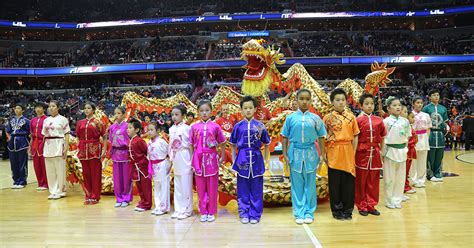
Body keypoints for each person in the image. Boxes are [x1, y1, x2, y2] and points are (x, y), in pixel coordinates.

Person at [281, 89, 327, 224]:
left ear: (311, 100)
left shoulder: (315, 118)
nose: (304, 101)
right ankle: (298, 212)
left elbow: (321, 137)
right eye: (301, 98)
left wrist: (322, 154)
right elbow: (284, 137)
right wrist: (284, 154)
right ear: (296, 100)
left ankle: (309, 212)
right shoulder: (290, 118)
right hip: (294, 153)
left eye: (307, 99)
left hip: (311, 153)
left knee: (310, 184)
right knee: (297, 184)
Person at [230, 96, 270, 224]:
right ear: (241, 110)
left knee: (257, 188)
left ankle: (255, 214)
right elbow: (232, 144)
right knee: (242, 188)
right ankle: (244, 212)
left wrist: (266, 160)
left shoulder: (260, 126)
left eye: (250, 108)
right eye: (245, 108)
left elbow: (267, 143)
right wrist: (233, 159)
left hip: (257, 158)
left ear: (255, 109)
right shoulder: (237, 126)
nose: (248, 110)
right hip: (242, 159)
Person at [323, 88, 359, 220]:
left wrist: (353, 152)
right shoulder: (327, 118)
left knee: (349, 183)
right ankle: (336, 210)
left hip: (348, 150)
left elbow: (355, 136)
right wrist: (325, 154)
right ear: (332, 102)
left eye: (343, 100)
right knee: (334, 183)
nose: (340, 102)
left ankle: (348, 209)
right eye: (337, 100)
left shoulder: (351, 117)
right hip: (333, 151)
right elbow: (323, 137)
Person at [190, 100, 226, 222]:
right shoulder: (194, 127)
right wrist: (192, 159)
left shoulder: (216, 126)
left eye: (207, 110)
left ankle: (211, 211)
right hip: (198, 159)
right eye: (201, 111)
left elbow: (222, 142)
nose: (204, 113)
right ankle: (203, 211)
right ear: (198, 112)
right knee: (200, 187)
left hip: (212, 159)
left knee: (212, 187)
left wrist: (221, 156)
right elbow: (191, 144)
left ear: (211, 111)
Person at [354, 93, 386, 216]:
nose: (370, 106)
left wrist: (381, 151)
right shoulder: (358, 120)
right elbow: (355, 138)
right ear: (361, 106)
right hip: (361, 154)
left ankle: (371, 204)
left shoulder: (379, 120)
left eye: (371, 103)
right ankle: (361, 205)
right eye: (366, 104)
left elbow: (382, 137)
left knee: (373, 181)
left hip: (375, 153)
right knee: (361, 181)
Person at [383, 97, 412, 209]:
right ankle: (389, 200)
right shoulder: (385, 121)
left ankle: (397, 199)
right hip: (390, 151)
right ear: (388, 108)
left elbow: (407, 137)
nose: (398, 107)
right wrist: (383, 152)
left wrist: (405, 149)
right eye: (394, 105)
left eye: (399, 105)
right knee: (389, 178)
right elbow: (383, 138)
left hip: (402, 151)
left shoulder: (405, 121)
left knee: (400, 178)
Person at [76, 102, 105, 205]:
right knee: (86, 173)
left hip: (95, 149)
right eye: (85, 108)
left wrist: (104, 149)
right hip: (83, 150)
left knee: (95, 173)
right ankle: (88, 195)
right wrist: (78, 147)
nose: (86, 110)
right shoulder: (80, 122)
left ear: (93, 110)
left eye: (89, 108)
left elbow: (104, 136)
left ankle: (95, 196)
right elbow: (78, 136)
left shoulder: (98, 122)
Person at [104, 107, 133, 208]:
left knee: (126, 178)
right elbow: (111, 142)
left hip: (125, 154)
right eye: (115, 113)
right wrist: (108, 156)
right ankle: (119, 198)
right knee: (117, 178)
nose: (116, 115)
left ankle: (126, 198)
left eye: (119, 113)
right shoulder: (112, 127)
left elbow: (131, 140)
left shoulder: (127, 126)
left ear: (124, 114)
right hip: (116, 154)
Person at [169, 104, 193, 220]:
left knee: (185, 184)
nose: (174, 117)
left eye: (177, 114)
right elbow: (170, 145)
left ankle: (187, 210)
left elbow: (191, 146)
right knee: (178, 184)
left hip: (184, 156)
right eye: (172, 114)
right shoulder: (171, 129)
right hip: (176, 157)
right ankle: (178, 209)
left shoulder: (187, 128)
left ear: (183, 116)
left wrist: (192, 161)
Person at [42, 100, 70, 200]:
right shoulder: (45, 120)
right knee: (50, 170)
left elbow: (67, 134)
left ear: (58, 107)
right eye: (50, 106)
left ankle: (61, 190)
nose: (51, 108)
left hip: (59, 143)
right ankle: (53, 191)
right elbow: (44, 135)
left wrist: (66, 146)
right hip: (48, 145)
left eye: (53, 106)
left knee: (60, 169)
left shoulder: (63, 119)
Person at [422, 89, 448, 182]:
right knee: (430, 154)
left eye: (437, 95)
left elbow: (445, 122)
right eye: (434, 95)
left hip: (440, 134)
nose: (436, 97)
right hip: (430, 133)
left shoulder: (443, 108)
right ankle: (430, 174)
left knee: (439, 154)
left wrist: (446, 129)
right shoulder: (426, 108)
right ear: (429, 97)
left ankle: (438, 173)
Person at [128, 119, 152, 212]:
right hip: (135, 168)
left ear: (137, 130)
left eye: (130, 128)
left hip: (143, 167)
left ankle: (147, 204)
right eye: (128, 128)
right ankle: (143, 201)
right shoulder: (131, 140)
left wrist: (144, 163)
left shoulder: (139, 140)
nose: (128, 130)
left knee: (146, 186)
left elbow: (146, 151)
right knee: (139, 186)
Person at [147, 122, 171, 216]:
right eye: (148, 130)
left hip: (162, 164)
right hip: (153, 165)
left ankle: (163, 207)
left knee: (164, 186)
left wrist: (169, 164)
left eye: (152, 130)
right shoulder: (149, 142)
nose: (150, 132)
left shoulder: (161, 141)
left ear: (158, 131)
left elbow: (169, 152)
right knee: (156, 186)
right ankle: (157, 206)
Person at [6, 104, 30, 189]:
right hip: (12, 142)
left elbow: (29, 133)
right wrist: (9, 139)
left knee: (22, 162)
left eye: (19, 108)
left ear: (23, 110)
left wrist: (29, 145)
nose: (16, 110)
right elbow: (8, 131)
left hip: (22, 142)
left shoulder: (26, 120)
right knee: (13, 163)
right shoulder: (11, 120)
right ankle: (15, 180)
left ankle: (22, 181)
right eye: (16, 108)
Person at [410, 97, 432, 188]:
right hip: (413, 138)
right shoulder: (410, 114)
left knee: (423, 160)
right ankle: (413, 179)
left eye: (421, 103)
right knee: (413, 161)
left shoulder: (426, 115)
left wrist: (426, 138)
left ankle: (421, 179)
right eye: (417, 102)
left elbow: (429, 128)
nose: (419, 104)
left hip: (423, 138)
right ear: (413, 104)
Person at [30, 102, 48, 191]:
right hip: (35, 143)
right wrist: (30, 146)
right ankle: (40, 183)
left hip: (44, 142)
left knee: (44, 164)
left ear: (43, 109)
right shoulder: (32, 120)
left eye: (40, 107)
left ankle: (46, 183)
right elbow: (31, 135)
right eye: (36, 107)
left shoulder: (47, 119)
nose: (38, 109)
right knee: (36, 164)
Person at [402, 106, 418, 198]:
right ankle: (405, 186)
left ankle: (406, 185)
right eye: (412, 117)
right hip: (407, 151)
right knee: (405, 170)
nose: (414, 119)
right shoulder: (406, 126)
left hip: (411, 150)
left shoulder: (410, 126)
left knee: (407, 170)